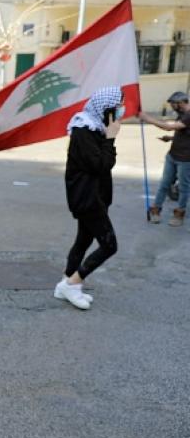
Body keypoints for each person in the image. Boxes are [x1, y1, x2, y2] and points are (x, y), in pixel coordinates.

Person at [53, 87, 124, 310]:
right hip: (88, 199)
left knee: (83, 240)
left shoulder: (94, 129)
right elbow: (101, 165)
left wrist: (108, 136)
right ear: (105, 110)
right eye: (117, 107)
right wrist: (111, 139)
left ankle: (65, 283)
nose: (121, 111)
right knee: (109, 245)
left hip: (94, 197)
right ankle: (73, 283)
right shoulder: (83, 131)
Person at [138, 91, 190, 227]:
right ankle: (156, 209)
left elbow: (169, 127)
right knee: (164, 184)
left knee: (184, 188)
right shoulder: (182, 115)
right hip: (172, 156)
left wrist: (148, 119)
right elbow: (184, 133)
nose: (173, 107)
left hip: (185, 159)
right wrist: (171, 138)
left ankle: (179, 213)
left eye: (174, 104)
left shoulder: (189, 115)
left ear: (181, 103)